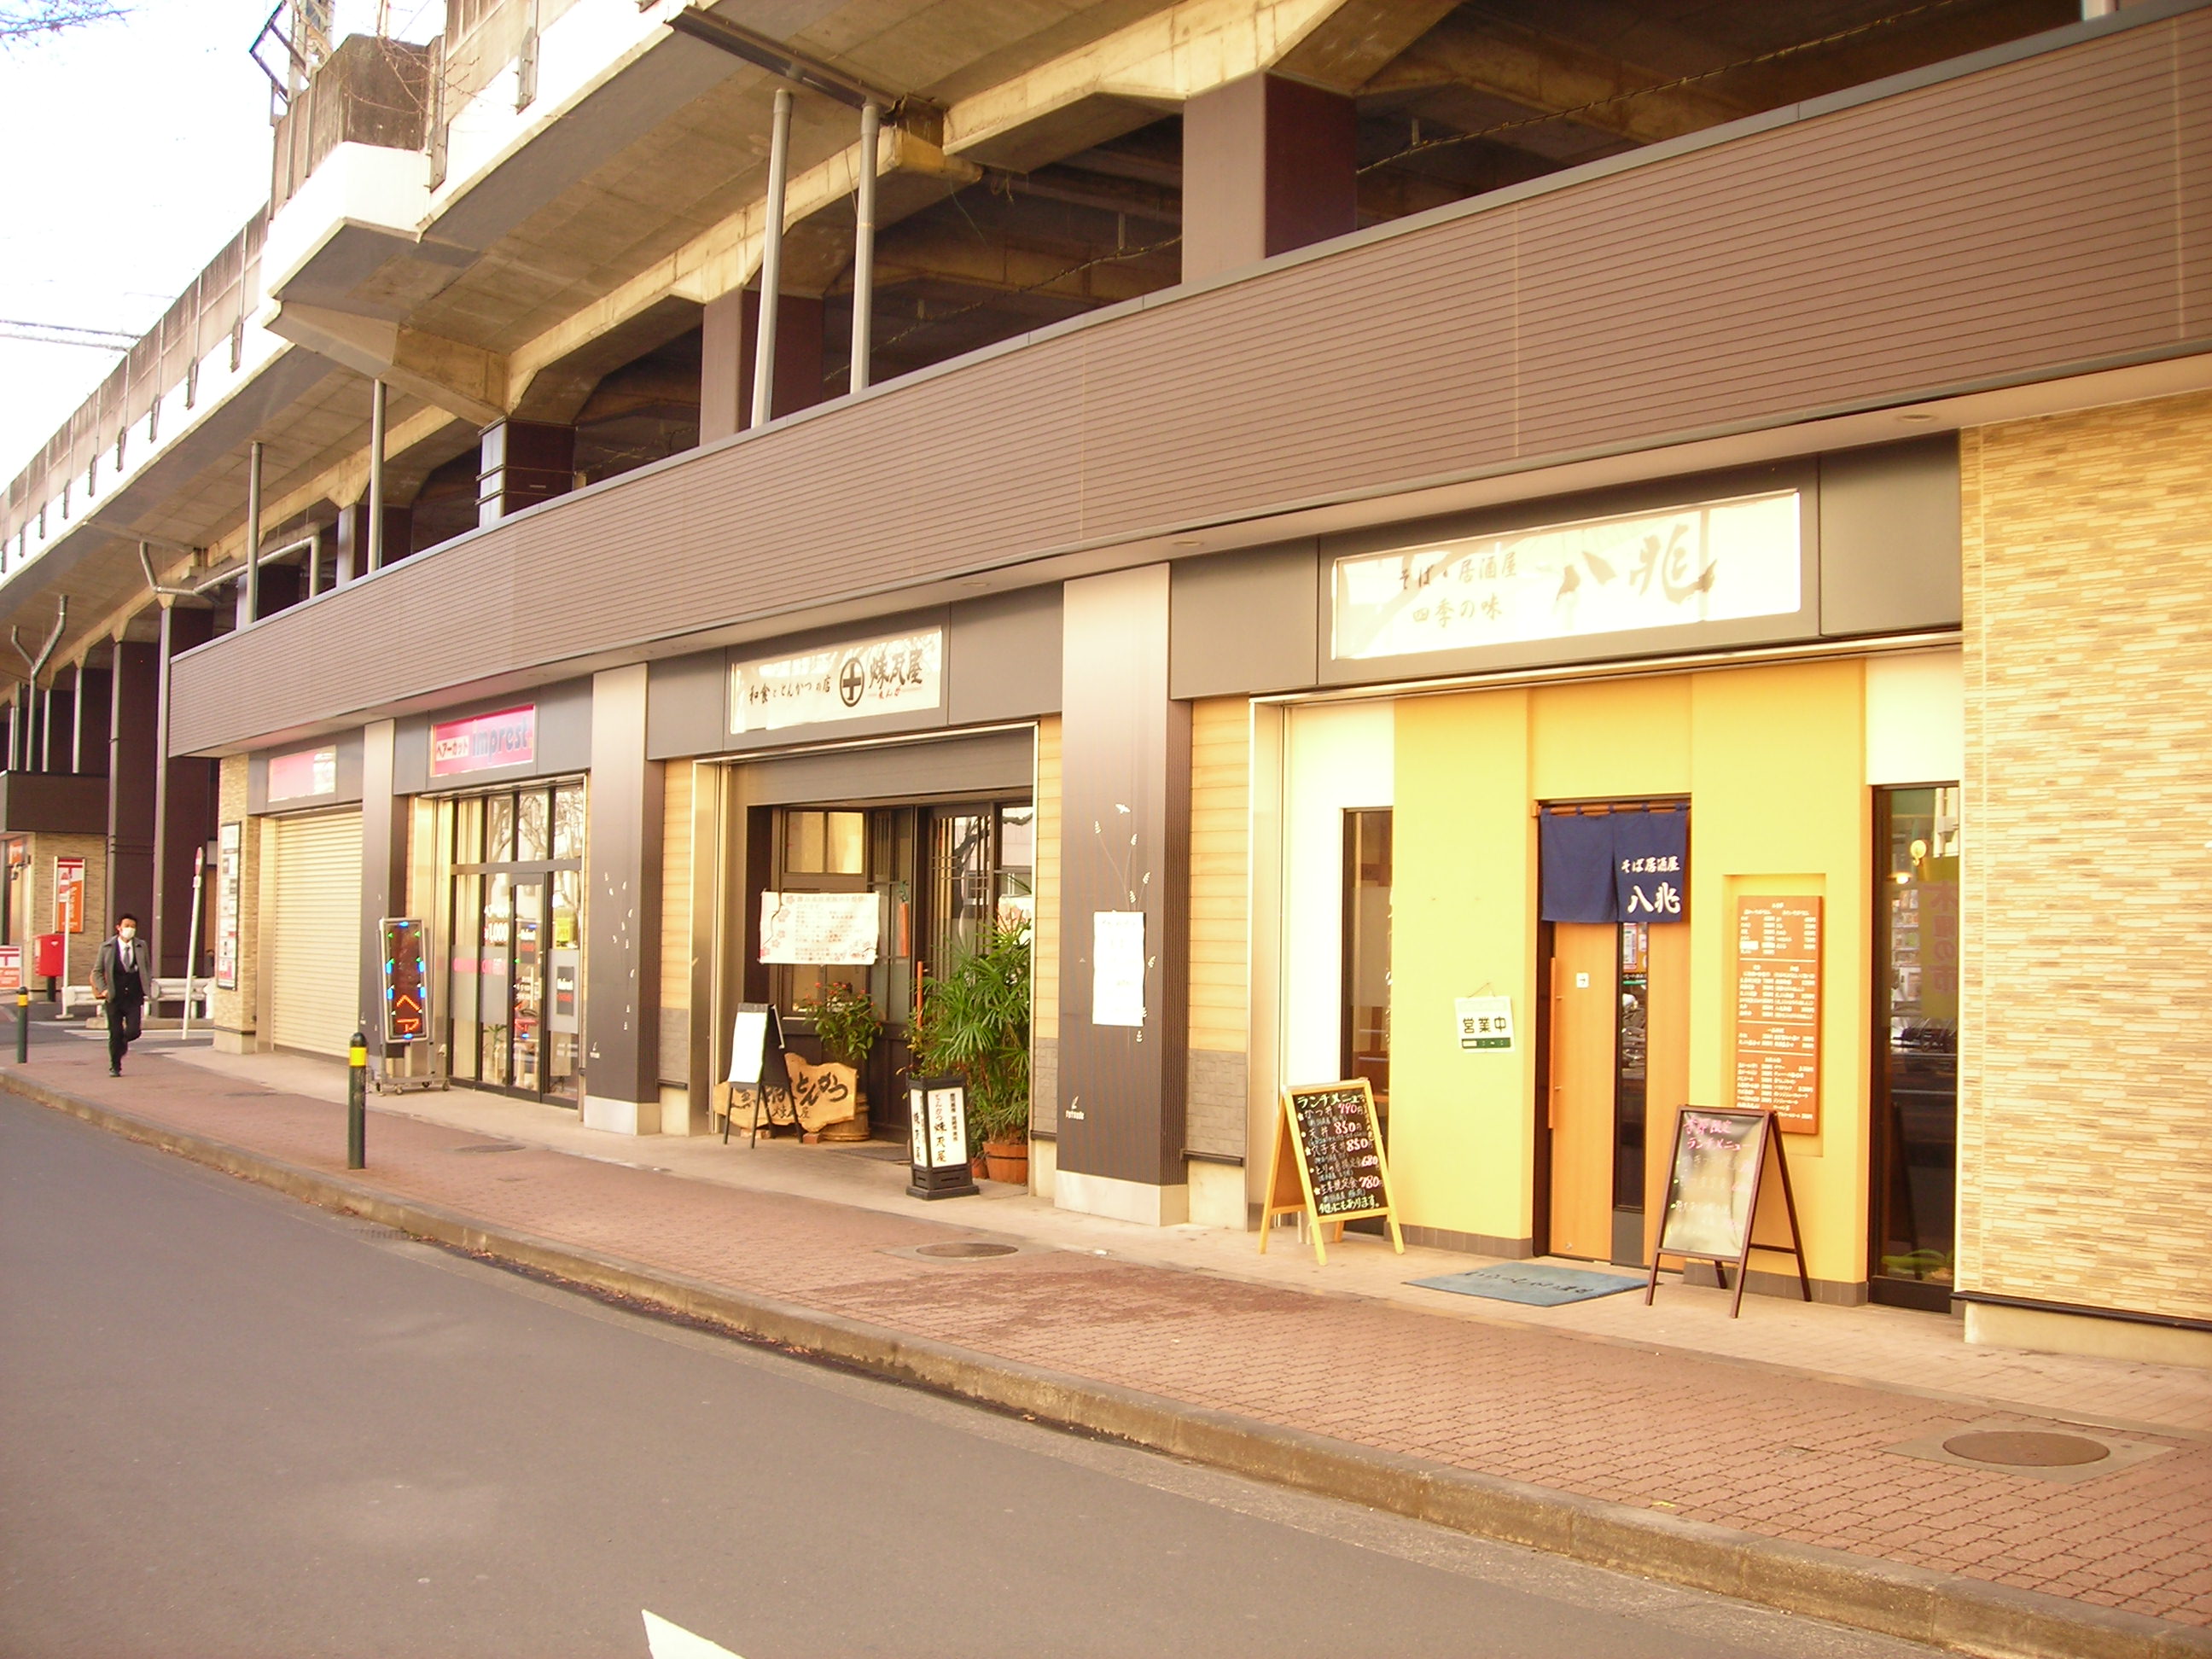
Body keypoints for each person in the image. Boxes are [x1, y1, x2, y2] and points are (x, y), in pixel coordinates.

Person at [90, 913, 147, 1077]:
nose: (130, 929)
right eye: (127, 925)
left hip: (134, 995)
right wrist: (104, 989)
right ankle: (115, 1066)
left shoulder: (141, 946)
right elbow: (97, 972)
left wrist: (147, 986)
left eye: (133, 926)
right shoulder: (107, 947)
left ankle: (123, 1043)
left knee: (134, 1031)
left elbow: (146, 969)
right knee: (115, 1033)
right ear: (119, 928)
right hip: (114, 996)